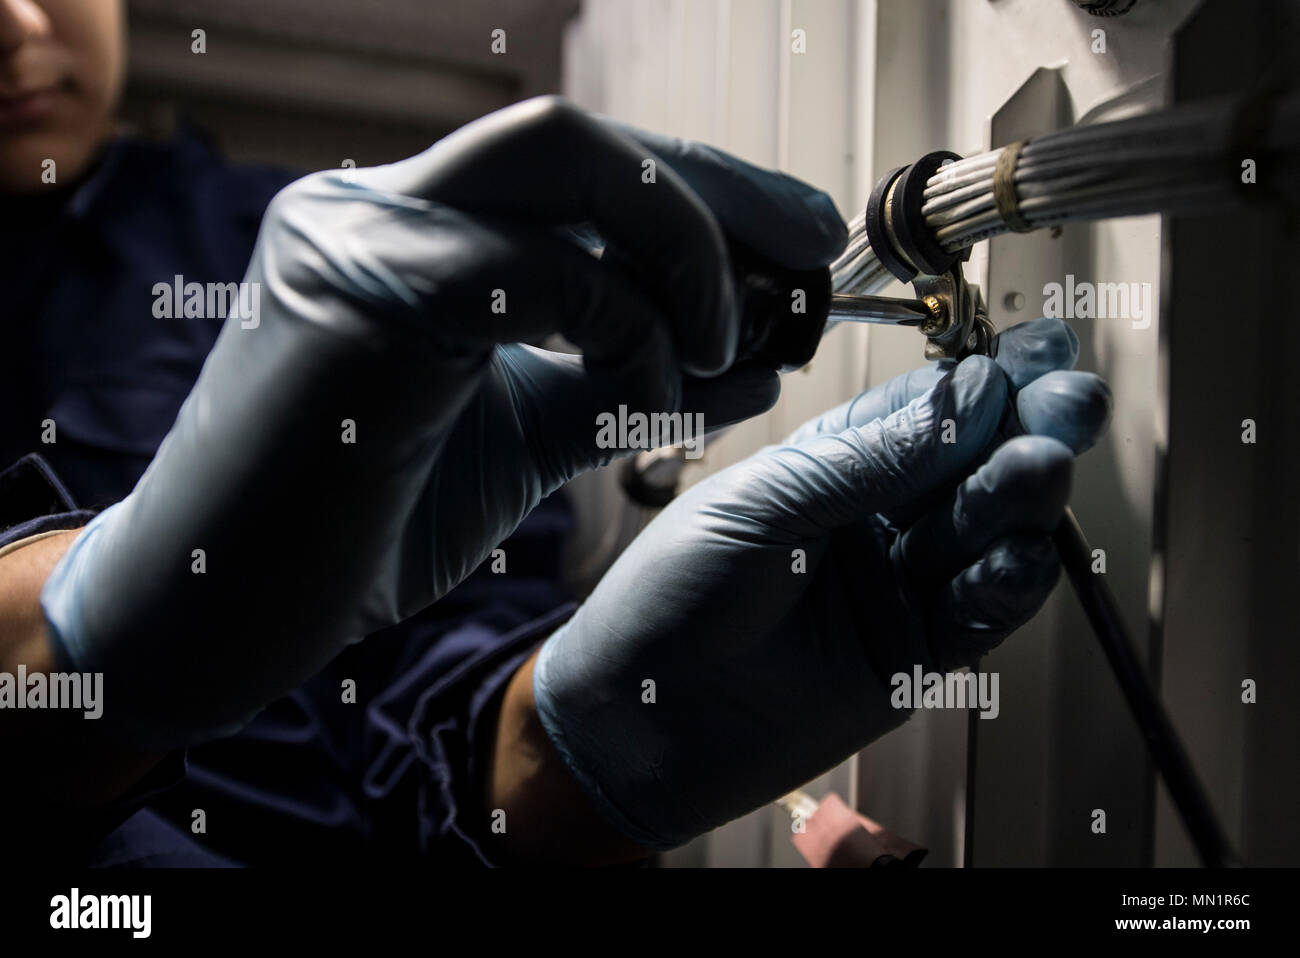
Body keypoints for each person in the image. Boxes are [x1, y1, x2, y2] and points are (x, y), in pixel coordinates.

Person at [0, 0, 1111, 866]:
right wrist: (73, 650)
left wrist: (568, 751)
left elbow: (426, 713)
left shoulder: (276, 241)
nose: (21, 28)